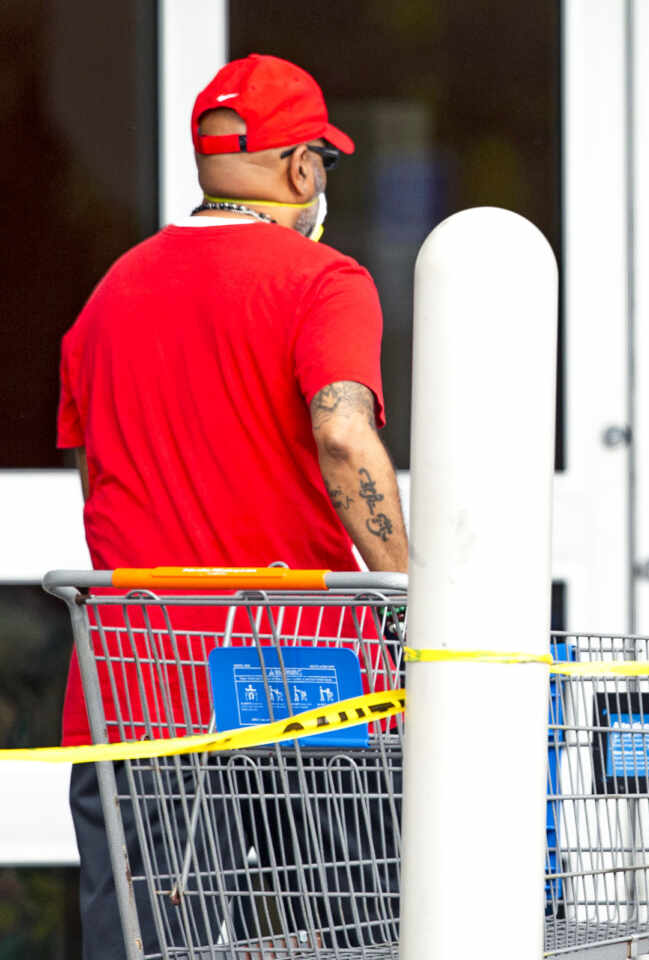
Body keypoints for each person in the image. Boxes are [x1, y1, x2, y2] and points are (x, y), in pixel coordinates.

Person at [56, 53, 407, 958]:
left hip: (137, 686)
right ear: (300, 169)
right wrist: (413, 588)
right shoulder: (323, 282)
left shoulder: (106, 300)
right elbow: (343, 434)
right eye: (320, 164)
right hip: (304, 683)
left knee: (148, 942)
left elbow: (101, 484)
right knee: (351, 936)